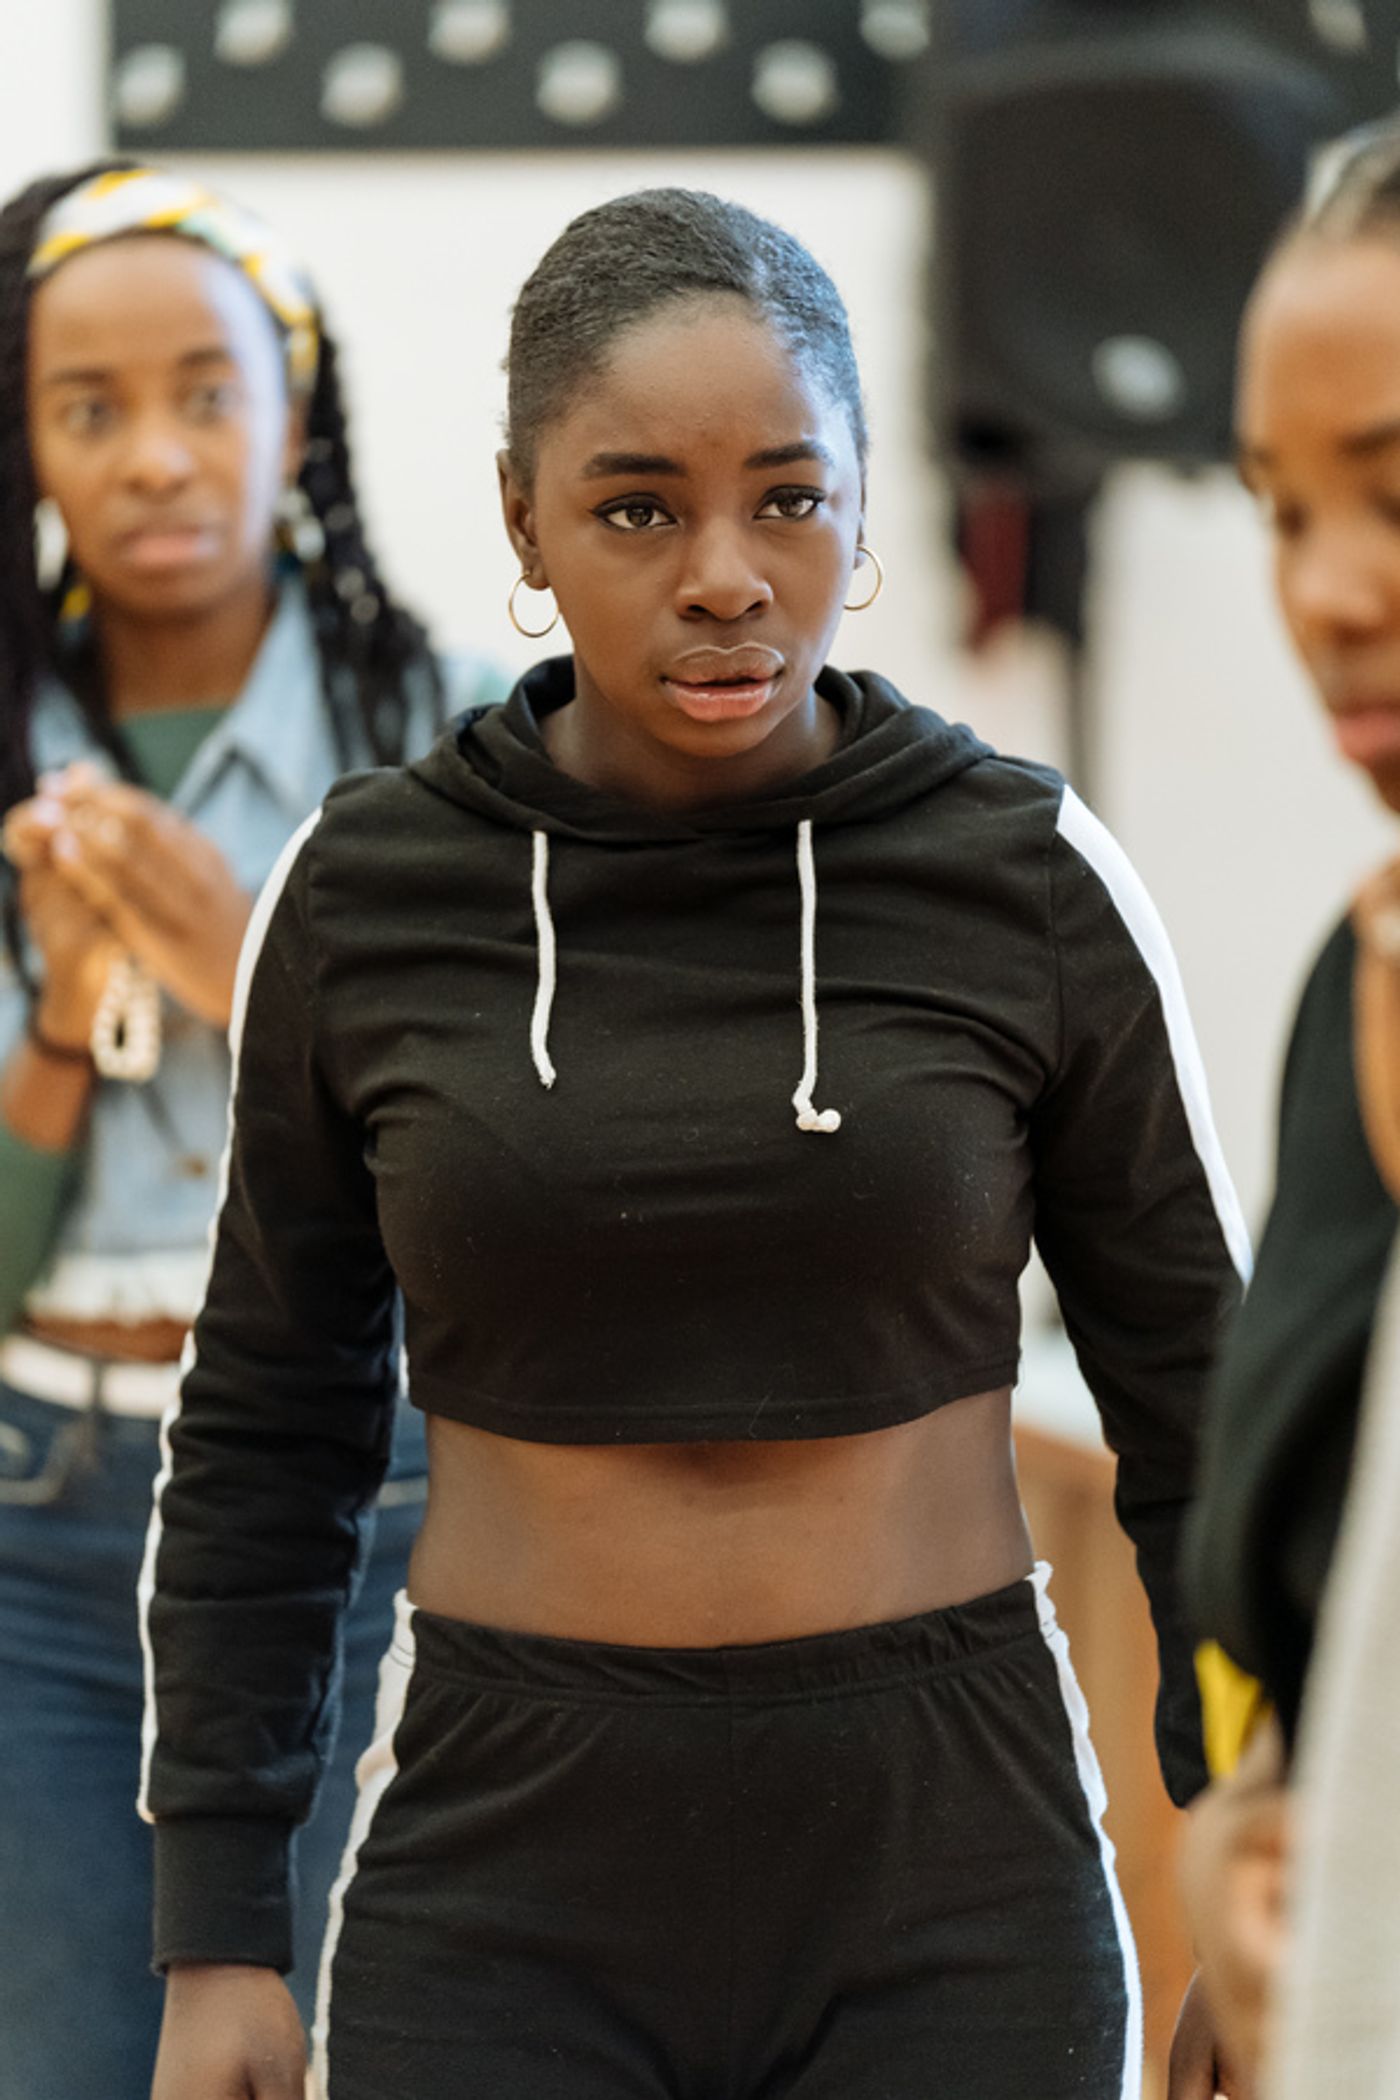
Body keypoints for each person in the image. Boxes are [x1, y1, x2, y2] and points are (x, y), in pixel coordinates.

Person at [144, 187, 1247, 2100]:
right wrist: (219, 1929)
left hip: (949, 1847)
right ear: (523, 518)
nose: (727, 574)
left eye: (791, 499)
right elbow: (267, 1429)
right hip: (506, 1855)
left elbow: (1203, 1410)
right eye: (638, 506)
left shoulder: (1024, 872)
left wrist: (1245, 1860)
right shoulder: (368, 892)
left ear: (864, 500)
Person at [0, 159, 502, 2100]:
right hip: (37, 1515)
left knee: (351, 2049)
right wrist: (57, 1005)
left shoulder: (452, 738)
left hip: (364, 1504)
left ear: (296, 415)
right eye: (88, 406)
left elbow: (506, 1161)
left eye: (207, 392)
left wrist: (250, 965)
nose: (155, 456)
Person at [1181, 125, 1400, 2097]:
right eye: (1275, 513)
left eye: (1395, 496)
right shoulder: (1365, 978)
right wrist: (1253, 1805)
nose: (1326, 595)